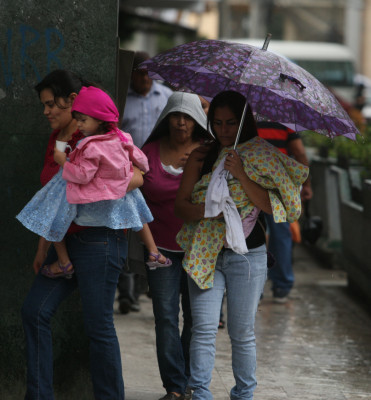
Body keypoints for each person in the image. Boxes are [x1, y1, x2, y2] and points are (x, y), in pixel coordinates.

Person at [175, 90, 309, 400]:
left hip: (248, 256)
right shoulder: (201, 155)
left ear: (244, 123)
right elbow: (180, 207)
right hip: (205, 251)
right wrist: (209, 211)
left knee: (241, 333)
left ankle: (244, 394)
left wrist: (240, 174)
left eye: (231, 123)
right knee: (204, 329)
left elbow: (275, 206)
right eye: (218, 123)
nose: (223, 130)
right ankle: (200, 394)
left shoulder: (260, 155)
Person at [20, 70, 143, 399]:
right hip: (62, 241)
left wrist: (91, 181)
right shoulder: (57, 139)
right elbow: (51, 193)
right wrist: (41, 245)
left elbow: (138, 178)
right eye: (43, 105)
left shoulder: (103, 136)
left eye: (51, 105)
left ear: (72, 101)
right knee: (34, 312)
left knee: (98, 326)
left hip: (98, 241)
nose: (46, 112)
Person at [17, 85, 170, 278]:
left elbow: (82, 176)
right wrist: (129, 171)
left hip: (94, 201)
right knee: (137, 209)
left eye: (83, 120)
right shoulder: (121, 137)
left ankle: (64, 262)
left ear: (99, 119)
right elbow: (140, 159)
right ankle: (154, 251)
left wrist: (62, 160)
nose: (79, 125)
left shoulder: (90, 146)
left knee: (55, 203)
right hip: (121, 190)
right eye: (77, 120)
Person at [141, 92, 212, 400]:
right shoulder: (148, 151)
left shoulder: (210, 154)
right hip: (160, 250)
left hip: (200, 249)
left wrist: (200, 168)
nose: (181, 121)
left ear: (197, 121)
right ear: (166, 118)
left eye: (187, 116)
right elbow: (135, 199)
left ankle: (187, 380)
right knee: (166, 316)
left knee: (197, 319)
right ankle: (174, 386)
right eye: (175, 115)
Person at [118, 51, 173, 314]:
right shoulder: (122, 100)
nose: (142, 78)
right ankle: (127, 290)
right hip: (127, 173)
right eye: (137, 73)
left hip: (158, 173)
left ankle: (147, 282)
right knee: (129, 225)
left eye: (146, 73)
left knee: (153, 224)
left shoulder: (166, 97)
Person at [257, 121, 313, 303]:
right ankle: (281, 285)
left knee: (249, 234)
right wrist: (306, 185)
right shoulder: (284, 120)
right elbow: (299, 153)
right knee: (280, 235)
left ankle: (254, 286)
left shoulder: (245, 115)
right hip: (279, 186)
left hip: (249, 183)